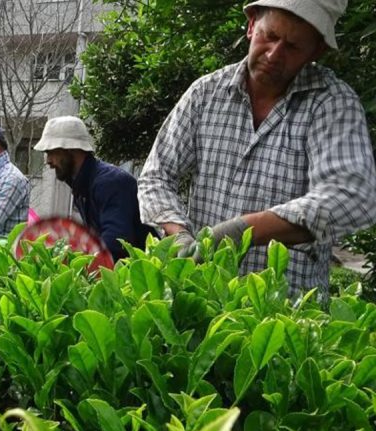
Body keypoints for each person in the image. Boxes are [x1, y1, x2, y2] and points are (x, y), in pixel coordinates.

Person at [137, 0, 376, 296]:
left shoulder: (332, 103)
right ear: (251, 25)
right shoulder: (205, 93)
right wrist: (177, 234)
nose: (275, 54)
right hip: (202, 302)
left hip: (286, 315)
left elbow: (352, 196)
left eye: (293, 47)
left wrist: (244, 230)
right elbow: (156, 175)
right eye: (270, 36)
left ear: (316, 51)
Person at [34, 116, 154, 260]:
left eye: (51, 151)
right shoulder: (84, 183)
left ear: (71, 149)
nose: (48, 161)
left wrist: (73, 260)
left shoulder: (109, 182)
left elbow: (116, 243)